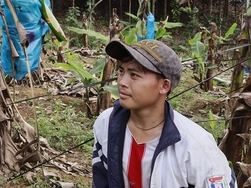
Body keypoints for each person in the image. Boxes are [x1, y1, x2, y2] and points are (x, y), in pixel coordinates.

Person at [92, 39, 236, 188]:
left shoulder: (197, 146)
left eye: (134, 75)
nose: (122, 82)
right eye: (121, 71)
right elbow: (101, 179)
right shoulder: (106, 123)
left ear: (164, 85)